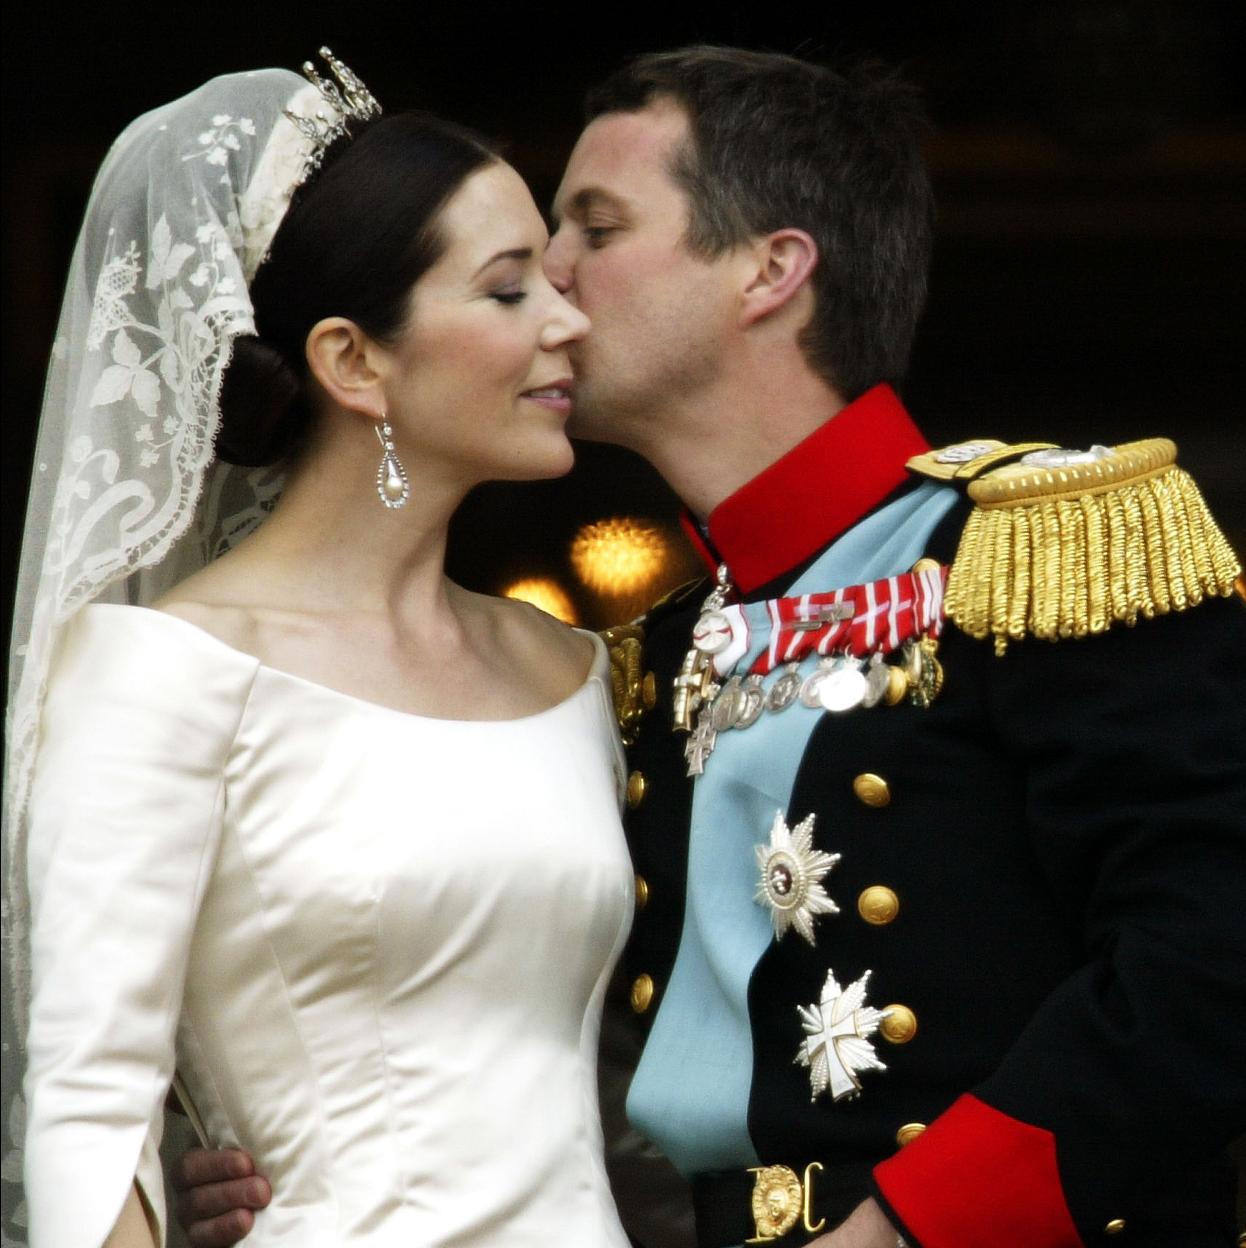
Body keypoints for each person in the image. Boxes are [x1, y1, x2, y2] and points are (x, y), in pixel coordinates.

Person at [179, 45, 1246, 1248]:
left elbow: (1212, 955)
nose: (554, 287)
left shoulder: (1042, 547)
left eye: (593, 227)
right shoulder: (645, 656)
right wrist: (313, 1169)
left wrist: (909, 1227)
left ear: (770, 269)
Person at [4, 52, 640, 1248]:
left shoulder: (566, 669)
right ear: (356, 362)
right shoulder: (162, 672)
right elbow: (93, 1110)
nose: (569, 320)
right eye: (509, 292)